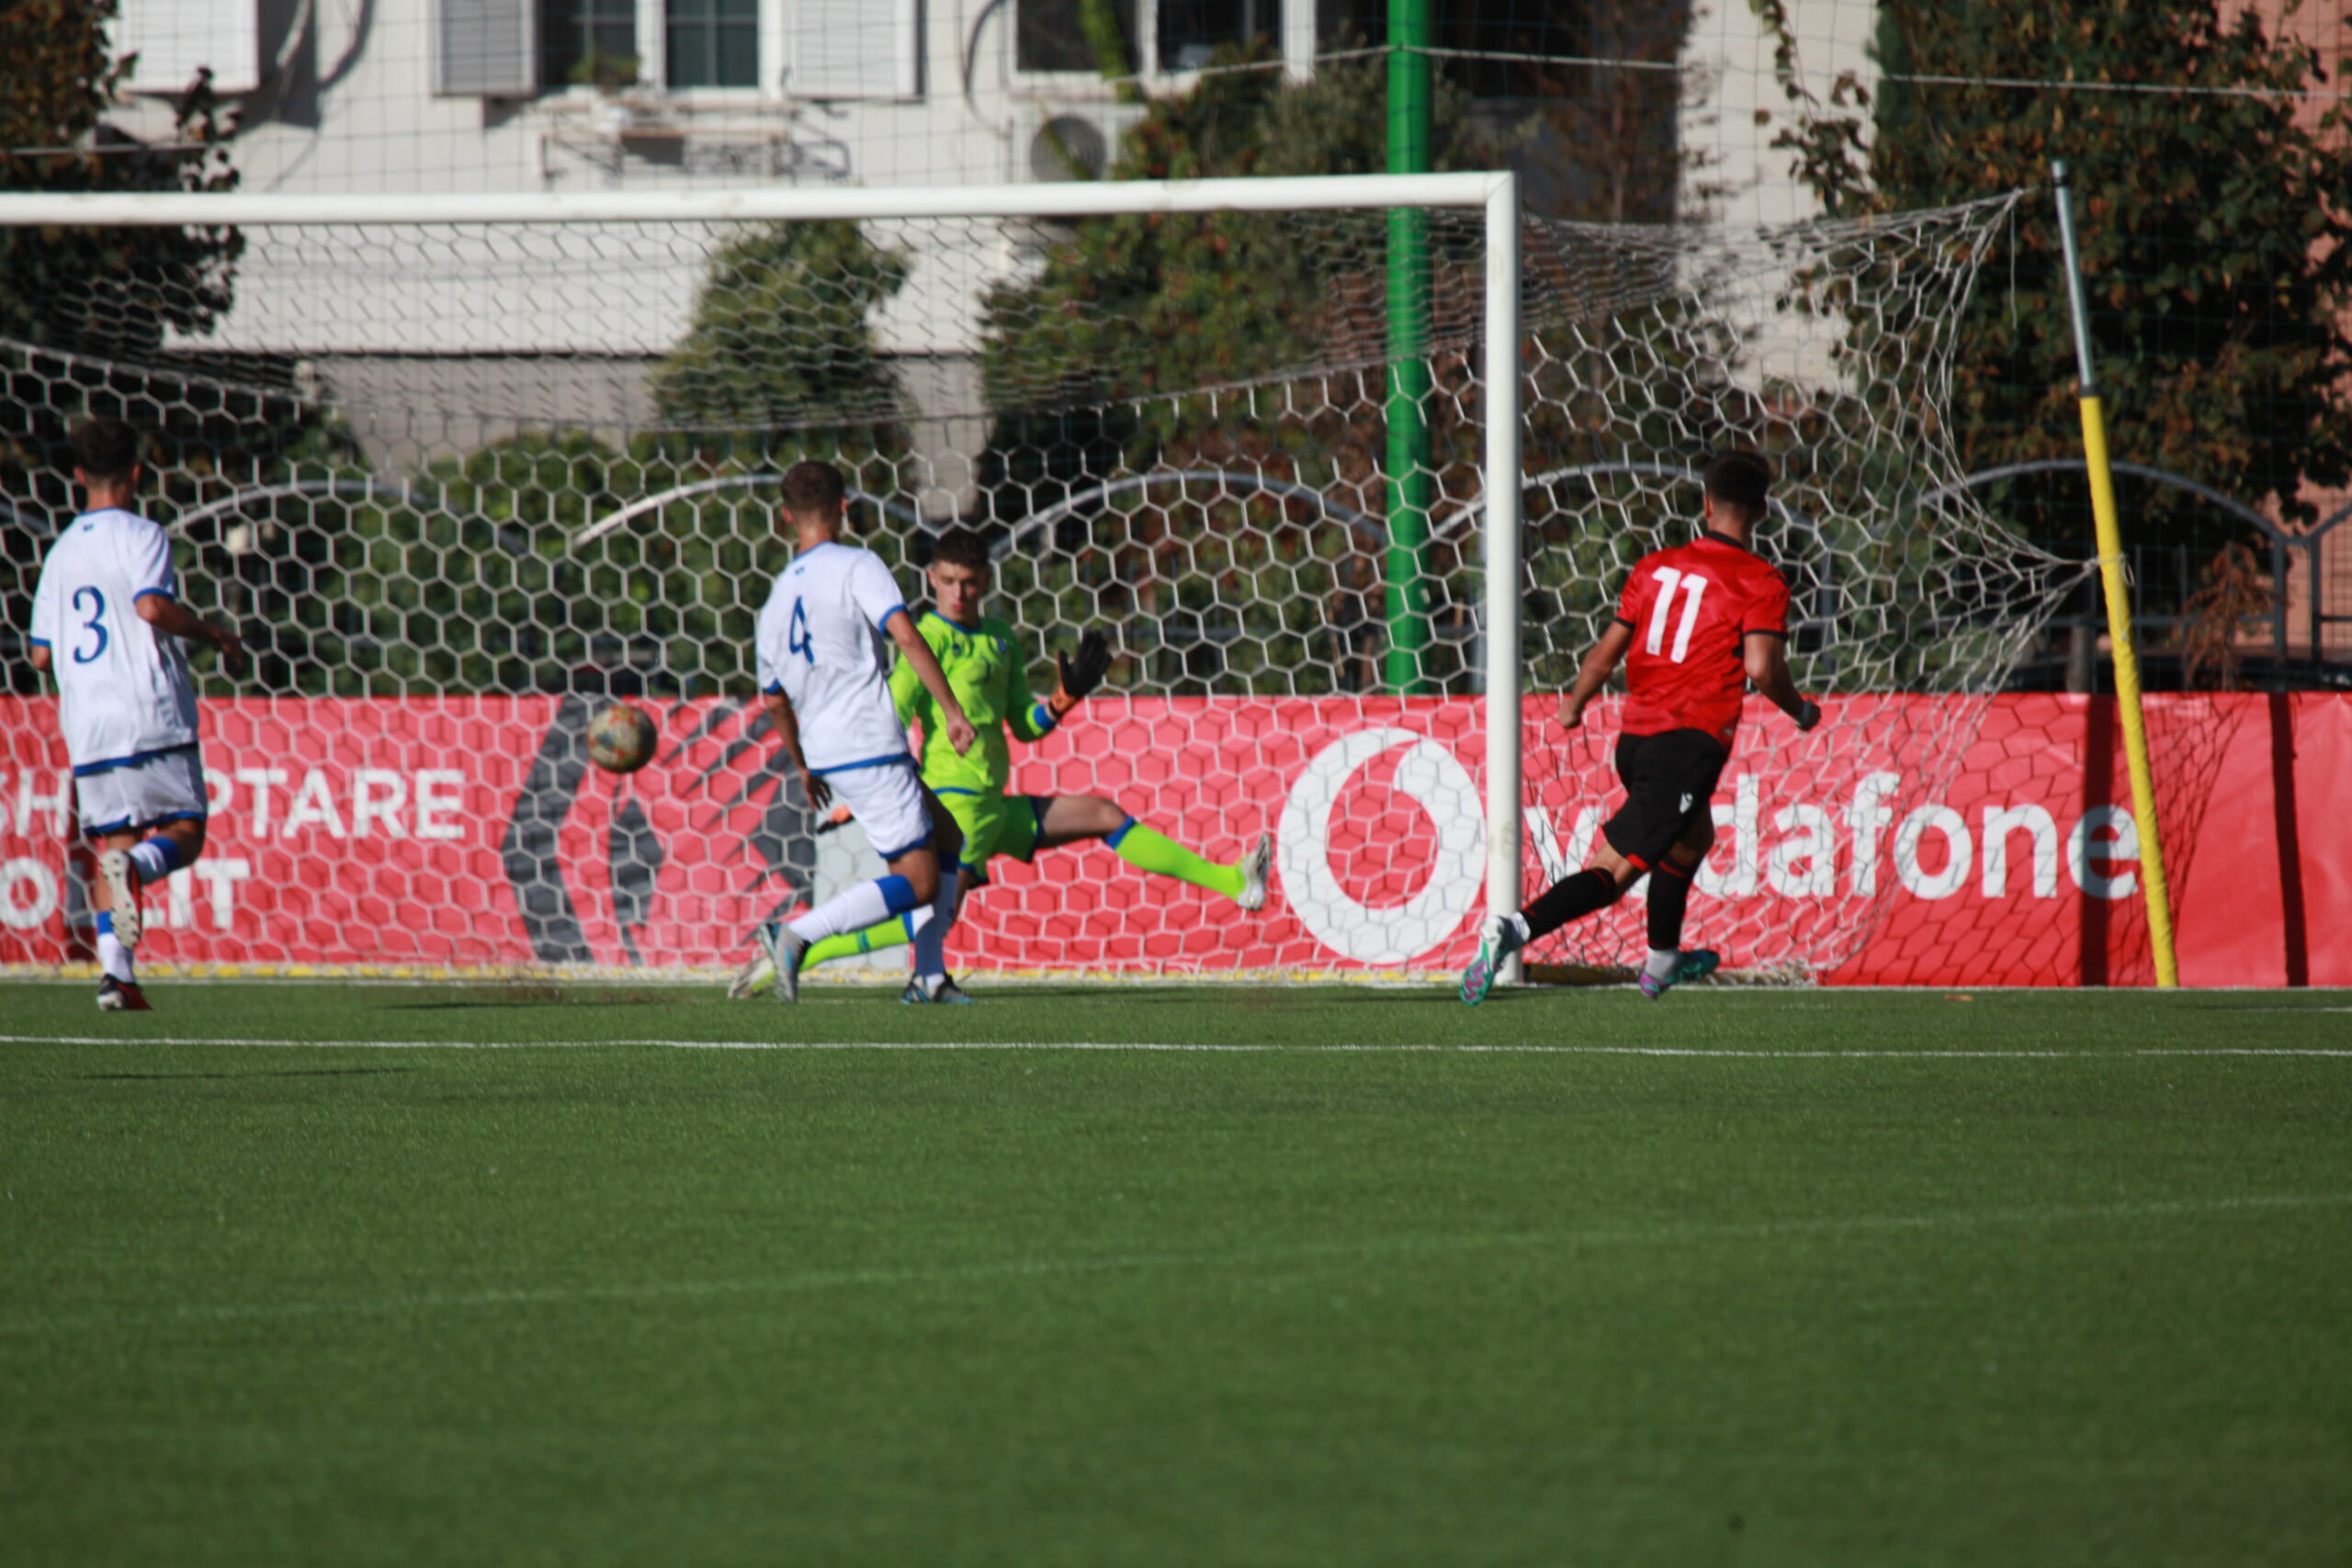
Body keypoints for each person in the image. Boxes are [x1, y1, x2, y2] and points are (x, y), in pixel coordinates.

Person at [732, 528, 1272, 1002]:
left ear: (985, 581)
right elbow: (889, 714)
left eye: (968, 582)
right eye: (948, 581)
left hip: (994, 803)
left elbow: (1024, 724)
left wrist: (1063, 698)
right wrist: (869, 792)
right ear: (932, 579)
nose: (958, 592)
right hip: (954, 803)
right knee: (928, 909)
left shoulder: (999, 639)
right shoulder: (928, 640)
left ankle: (1234, 882)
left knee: (1103, 814)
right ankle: (800, 950)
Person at [1461, 450, 1821, 1006]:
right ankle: (1511, 931)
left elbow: (1605, 656)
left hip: (1635, 740)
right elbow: (1761, 668)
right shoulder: (1760, 580)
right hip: (1688, 743)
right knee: (1612, 875)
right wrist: (1799, 710)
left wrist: (1573, 704)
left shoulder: (1654, 568)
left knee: (1695, 835)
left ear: (1705, 504)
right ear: (1763, 510)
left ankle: (1660, 962)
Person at [28, 416, 245, 1011]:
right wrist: (212, 632)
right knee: (185, 832)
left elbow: (40, 654)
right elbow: (150, 606)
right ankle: (139, 872)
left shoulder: (61, 552)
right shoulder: (144, 534)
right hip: (147, 707)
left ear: (78, 476)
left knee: (112, 843)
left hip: (89, 721)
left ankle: (116, 977)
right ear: (137, 474)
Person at [748, 460, 978, 1004]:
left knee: (948, 836)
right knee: (921, 881)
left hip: (828, 750)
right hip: (869, 742)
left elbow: (774, 699)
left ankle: (927, 976)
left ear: (786, 518)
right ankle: (796, 934)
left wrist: (803, 764)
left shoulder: (775, 599)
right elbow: (908, 638)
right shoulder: (858, 564)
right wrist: (951, 710)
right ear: (845, 509)